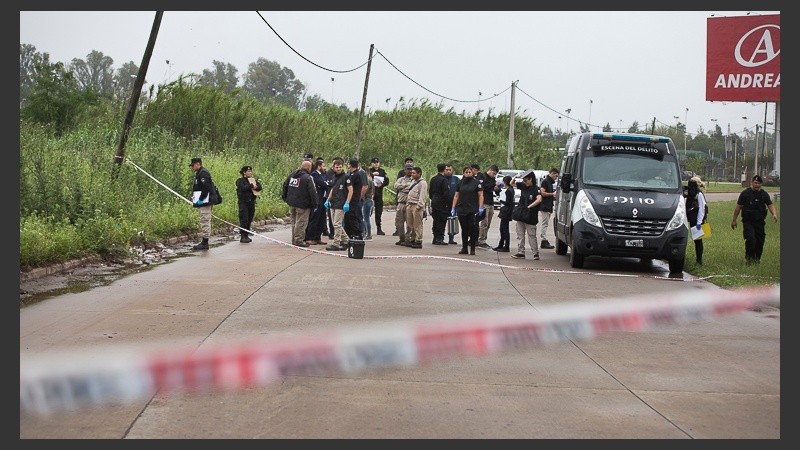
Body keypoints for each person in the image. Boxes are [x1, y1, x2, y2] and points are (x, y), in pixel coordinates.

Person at [731, 174, 778, 264]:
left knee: (760, 241)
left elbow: (770, 205)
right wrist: (734, 220)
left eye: (759, 183)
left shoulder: (763, 194)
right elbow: (738, 207)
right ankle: (749, 258)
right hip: (748, 222)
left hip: (760, 222)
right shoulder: (745, 193)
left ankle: (757, 259)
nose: (757, 185)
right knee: (751, 239)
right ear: (752, 183)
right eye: (755, 183)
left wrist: (774, 214)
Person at [281, 160, 318, 248]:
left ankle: (294, 239)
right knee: (301, 222)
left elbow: (284, 185)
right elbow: (313, 192)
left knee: (294, 222)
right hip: (303, 204)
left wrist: (285, 198)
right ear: (309, 168)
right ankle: (299, 240)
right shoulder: (308, 178)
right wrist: (315, 204)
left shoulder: (292, 175)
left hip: (292, 203)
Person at [451, 165, 484, 255]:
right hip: (462, 208)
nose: (468, 173)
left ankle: (472, 248)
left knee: (472, 229)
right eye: (466, 172)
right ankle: (464, 248)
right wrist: (453, 207)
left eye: (469, 172)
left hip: (472, 209)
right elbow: (456, 195)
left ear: (472, 173)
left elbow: (480, 195)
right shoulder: (460, 183)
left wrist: (480, 207)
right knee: (464, 229)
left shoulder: (477, 183)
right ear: (463, 173)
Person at [511, 171, 543, 260]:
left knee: (532, 235)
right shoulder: (523, 186)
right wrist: (516, 176)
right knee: (520, 234)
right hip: (521, 214)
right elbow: (511, 183)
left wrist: (529, 206)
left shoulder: (536, 189)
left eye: (526, 180)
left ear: (531, 179)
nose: (524, 182)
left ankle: (535, 253)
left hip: (531, 216)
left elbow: (539, 199)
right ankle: (521, 252)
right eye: (523, 181)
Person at [189, 157, 218, 251]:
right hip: (204, 200)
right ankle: (204, 241)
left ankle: (205, 242)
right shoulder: (200, 173)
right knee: (204, 219)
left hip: (205, 201)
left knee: (204, 219)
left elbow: (206, 187)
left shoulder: (203, 173)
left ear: (198, 164)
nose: (192, 168)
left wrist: (201, 199)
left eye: (193, 165)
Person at [325, 158, 350, 251]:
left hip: (341, 203)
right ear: (333, 167)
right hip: (333, 203)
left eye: (340, 167)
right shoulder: (334, 177)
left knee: (337, 224)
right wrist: (328, 200)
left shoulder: (346, 177)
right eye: (337, 167)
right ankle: (346, 240)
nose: (339, 169)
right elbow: (332, 189)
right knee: (336, 224)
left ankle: (336, 243)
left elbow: (350, 190)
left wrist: (347, 202)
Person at [304, 157, 330, 245]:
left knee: (322, 220)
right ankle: (310, 237)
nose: (325, 167)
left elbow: (327, 183)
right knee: (314, 219)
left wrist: (326, 184)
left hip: (323, 200)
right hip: (317, 200)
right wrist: (325, 184)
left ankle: (318, 237)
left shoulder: (323, 174)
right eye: (323, 166)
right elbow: (323, 184)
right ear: (319, 166)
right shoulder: (314, 175)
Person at [235, 165, 262, 243]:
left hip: (251, 202)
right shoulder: (240, 181)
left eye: (250, 171)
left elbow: (259, 187)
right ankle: (243, 236)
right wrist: (251, 186)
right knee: (244, 219)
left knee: (250, 218)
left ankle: (246, 234)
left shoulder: (253, 180)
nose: (250, 173)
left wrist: (255, 187)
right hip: (243, 203)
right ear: (244, 172)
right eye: (248, 171)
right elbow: (242, 188)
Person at [404, 166, 428, 248]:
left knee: (417, 225)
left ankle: (418, 240)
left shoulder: (422, 183)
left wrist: (419, 206)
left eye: (414, 173)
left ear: (419, 174)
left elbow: (422, 195)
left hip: (416, 205)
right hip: (410, 204)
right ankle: (412, 239)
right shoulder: (413, 181)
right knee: (411, 224)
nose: (412, 174)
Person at [686, 176, 707, 265]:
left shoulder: (699, 194)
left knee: (698, 241)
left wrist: (699, 222)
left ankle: (699, 260)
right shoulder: (691, 194)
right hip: (692, 219)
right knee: (695, 240)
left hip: (698, 221)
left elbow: (702, 209)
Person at [428, 163, 450, 245]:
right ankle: (440, 238)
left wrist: (432, 198)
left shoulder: (433, 179)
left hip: (434, 201)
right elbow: (446, 193)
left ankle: (435, 237)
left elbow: (430, 192)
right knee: (441, 220)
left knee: (435, 220)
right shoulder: (444, 180)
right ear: (444, 169)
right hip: (442, 203)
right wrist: (448, 203)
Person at [477, 164, 498, 249]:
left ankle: (484, 238)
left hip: (490, 202)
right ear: (490, 170)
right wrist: (493, 185)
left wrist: (497, 188)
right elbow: (484, 187)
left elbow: (492, 189)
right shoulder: (483, 177)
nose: (494, 175)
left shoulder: (492, 179)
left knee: (488, 223)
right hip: (484, 202)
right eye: (493, 173)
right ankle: (480, 240)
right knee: (484, 222)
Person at [344, 158, 366, 241]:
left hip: (354, 199)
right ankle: (348, 234)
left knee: (353, 217)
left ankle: (357, 234)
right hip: (351, 199)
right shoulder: (351, 174)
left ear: (350, 165)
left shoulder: (356, 175)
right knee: (348, 218)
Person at [538, 168, 559, 249]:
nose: (556, 178)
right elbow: (542, 192)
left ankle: (544, 239)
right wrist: (552, 194)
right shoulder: (545, 182)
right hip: (545, 206)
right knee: (545, 223)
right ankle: (544, 239)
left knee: (545, 223)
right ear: (553, 173)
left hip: (548, 206)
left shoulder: (549, 182)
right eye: (556, 176)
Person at [493, 175, 515, 252]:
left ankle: (506, 246)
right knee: (502, 229)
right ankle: (501, 245)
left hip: (506, 211)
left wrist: (501, 200)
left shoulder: (509, 191)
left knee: (504, 229)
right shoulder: (510, 189)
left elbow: (508, 202)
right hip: (506, 211)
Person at [393, 163, 414, 244]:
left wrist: (403, 188)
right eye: (408, 169)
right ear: (405, 170)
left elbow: (410, 189)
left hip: (409, 203)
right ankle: (401, 238)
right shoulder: (401, 179)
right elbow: (396, 186)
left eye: (411, 169)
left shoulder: (414, 180)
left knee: (409, 223)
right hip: (400, 203)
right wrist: (405, 185)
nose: (409, 171)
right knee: (399, 222)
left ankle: (408, 239)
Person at [369, 157, 389, 235]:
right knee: (368, 212)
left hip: (379, 194)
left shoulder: (382, 171)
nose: (376, 164)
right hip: (370, 194)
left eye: (377, 162)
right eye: (374, 162)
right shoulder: (369, 171)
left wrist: (382, 184)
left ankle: (379, 228)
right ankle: (367, 228)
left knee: (378, 212)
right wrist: (372, 175)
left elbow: (387, 181)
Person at [445, 164, 460, 244]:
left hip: (453, 205)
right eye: (446, 170)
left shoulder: (456, 179)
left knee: (452, 221)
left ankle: (451, 238)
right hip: (444, 204)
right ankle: (439, 238)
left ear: (452, 170)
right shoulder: (442, 179)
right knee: (442, 221)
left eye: (449, 170)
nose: (448, 171)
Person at [361, 169, 375, 240]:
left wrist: (361, 196)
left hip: (367, 200)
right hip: (370, 200)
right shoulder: (371, 181)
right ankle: (366, 233)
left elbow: (365, 190)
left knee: (365, 218)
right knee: (366, 218)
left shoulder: (367, 181)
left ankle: (367, 234)